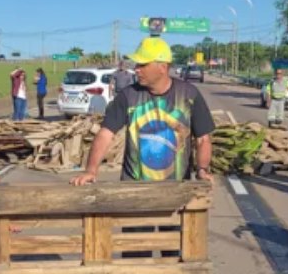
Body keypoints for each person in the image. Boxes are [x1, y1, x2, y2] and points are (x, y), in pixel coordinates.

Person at [71, 37, 214, 186]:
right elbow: (106, 133)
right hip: (134, 188)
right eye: (137, 64)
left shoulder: (189, 95)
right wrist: (91, 171)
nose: (136, 69)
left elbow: (203, 139)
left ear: (162, 67)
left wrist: (202, 170)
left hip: (177, 188)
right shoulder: (128, 96)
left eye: (143, 64)